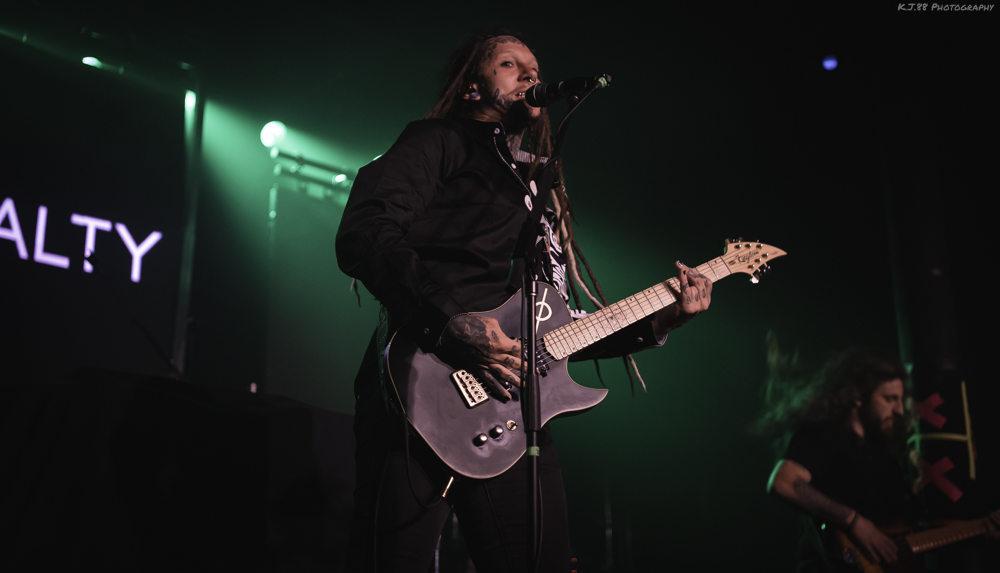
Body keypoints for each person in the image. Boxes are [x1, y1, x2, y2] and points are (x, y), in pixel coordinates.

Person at [336, 31, 712, 572]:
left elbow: (555, 329)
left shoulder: (539, 184)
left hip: (513, 416)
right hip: (419, 390)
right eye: (511, 64)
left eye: (535, 68)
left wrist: (664, 318)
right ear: (472, 88)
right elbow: (365, 232)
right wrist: (452, 324)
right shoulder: (436, 141)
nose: (531, 75)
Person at [761, 346, 917, 571]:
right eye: (889, 399)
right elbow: (783, 482)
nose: (900, 410)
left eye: (901, 400)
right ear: (857, 397)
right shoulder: (825, 436)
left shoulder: (884, 453)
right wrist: (854, 521)